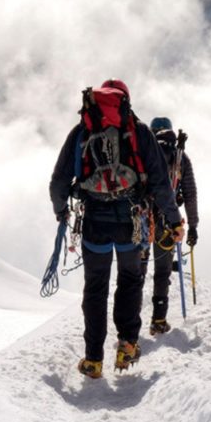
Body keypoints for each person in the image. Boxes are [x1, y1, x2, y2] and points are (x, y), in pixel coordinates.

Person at [49, 81, 181, 378]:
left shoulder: (82, 131)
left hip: (94, 221)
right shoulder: (138, 131)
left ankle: (93, 358)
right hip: (131, 223)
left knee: (95, 288)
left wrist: (61, 211)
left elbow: (58, 181)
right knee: (130, 281)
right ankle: (127, 344)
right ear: (125, 102)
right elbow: (160, 183)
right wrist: (174, 221)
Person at [142, 119, 199, 334]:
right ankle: (158, 319)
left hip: (143, 220)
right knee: (162, 272)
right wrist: (192, 226)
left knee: (137, 270)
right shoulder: (180, 158)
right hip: (169, 222)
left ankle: (130, 324)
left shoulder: (143, 153)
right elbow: (191, 194)